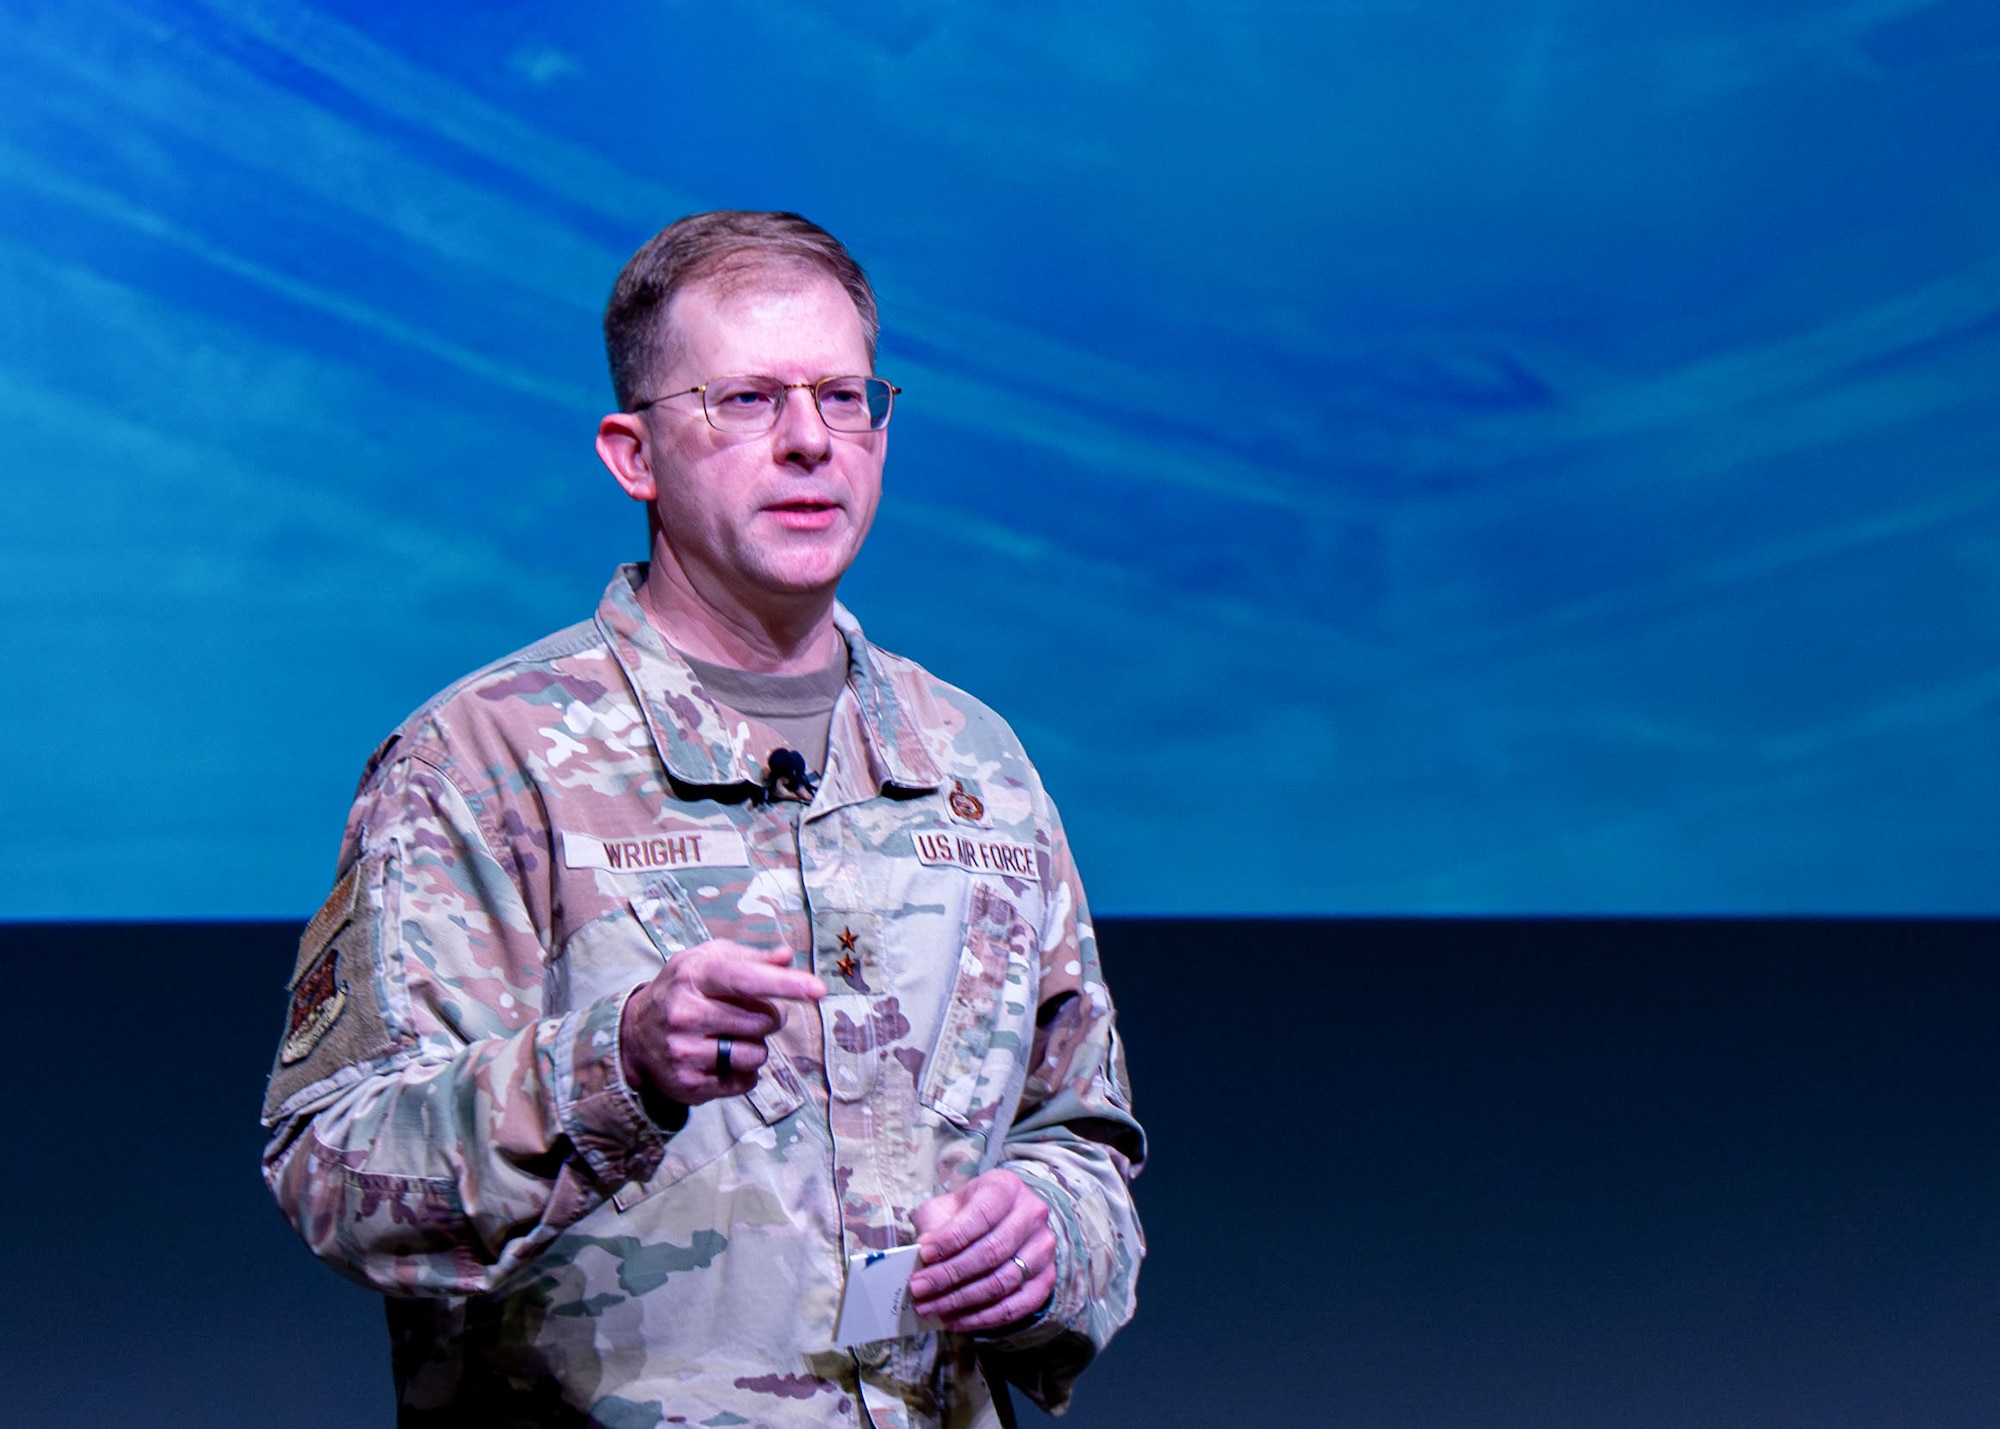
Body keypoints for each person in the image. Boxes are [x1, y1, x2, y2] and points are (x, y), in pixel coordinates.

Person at [261, 210, 1144, 1428]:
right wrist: (614, 1063)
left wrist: (1047, 1238)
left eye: (843, 398)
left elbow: (1080, 1138)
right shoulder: (482, 762)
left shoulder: (974, 765)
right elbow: (335, 1167)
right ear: (633, 454)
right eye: (744, 400)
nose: (806, 443)